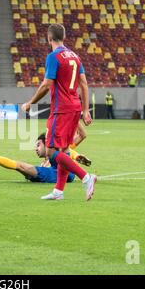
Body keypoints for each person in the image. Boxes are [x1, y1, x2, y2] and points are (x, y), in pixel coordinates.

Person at [21, 23, 97, 201]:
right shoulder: (75, 57)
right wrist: (85, 110)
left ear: (49, 38)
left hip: (61, 109)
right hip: (75, 107)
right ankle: (58, 191)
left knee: (51, 152)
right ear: (63, 37)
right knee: (64, 150)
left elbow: (47, 84)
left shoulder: (53, 56)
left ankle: (86, 177)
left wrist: (30, 102)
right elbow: (84, 83)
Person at [0, 133, 92, 184]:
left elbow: (82, 136)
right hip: (56, 171)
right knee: (20, 167)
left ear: (47, 144)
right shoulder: (53, 158)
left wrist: (76, 156)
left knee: (19, 166)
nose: (35, 148)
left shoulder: (56, 154)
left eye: (38, 145)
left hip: (55, 173)